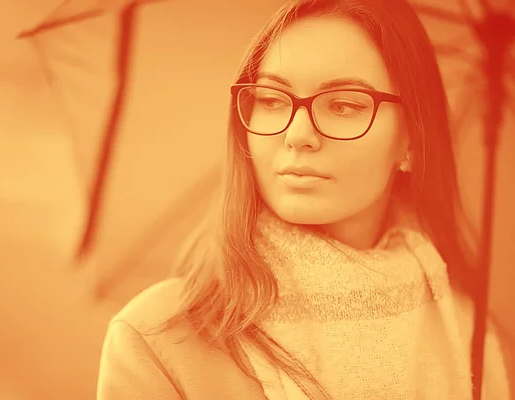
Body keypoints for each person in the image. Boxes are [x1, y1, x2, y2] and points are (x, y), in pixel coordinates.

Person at [96, 0, 512, 398]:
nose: (297, 134)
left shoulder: (465, 332)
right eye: (273, 100)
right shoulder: (159, 339)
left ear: (411, 142)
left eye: (345, 105)